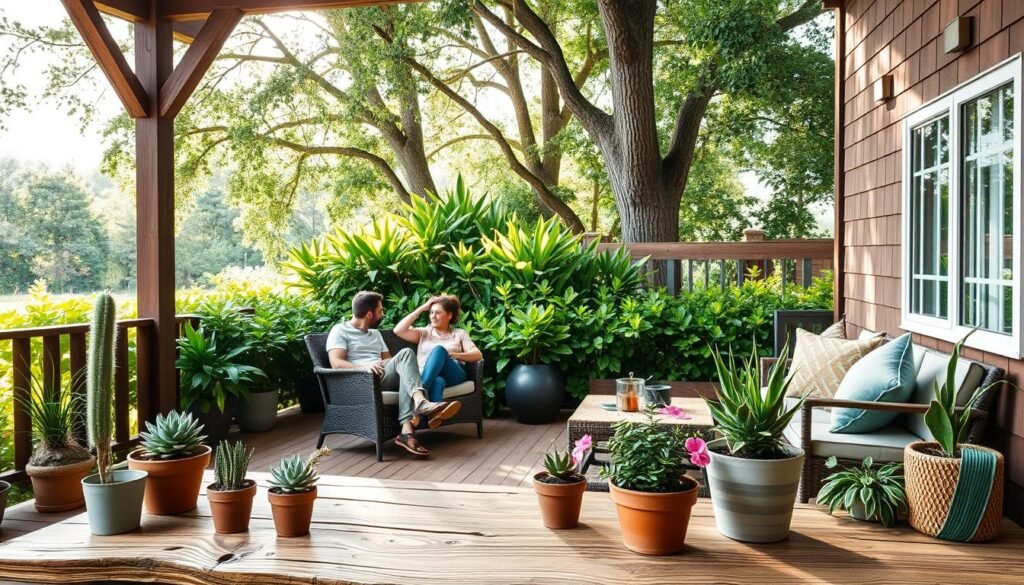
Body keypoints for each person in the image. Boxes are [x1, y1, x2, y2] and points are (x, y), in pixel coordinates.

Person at [325, 291, 461, 457]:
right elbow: (336, 363)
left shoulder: (375, 334)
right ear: (369, 314)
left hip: (382, 375)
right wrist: (366, 366)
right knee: (406, 354)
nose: (383, 314)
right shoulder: (340, 330)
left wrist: (386, 363)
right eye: (380, 311)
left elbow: (388, 360)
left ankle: (407, 431)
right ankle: (420, 402)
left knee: (406, 360)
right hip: (361, 378)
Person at [393, 295, 483, 402]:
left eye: (437, 313)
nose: (433, 316)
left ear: (449, 315)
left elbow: (478, 355)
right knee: (437, 381)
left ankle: (422, 389)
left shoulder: (459, 334)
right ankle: (431, 411)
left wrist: (453, 355)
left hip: (453, 374)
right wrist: (422, 308)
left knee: (439, 350)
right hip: (429, 374)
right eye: (431, 312)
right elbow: (398, 330)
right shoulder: (423, 333)